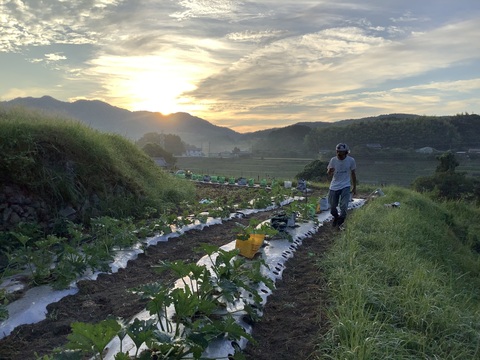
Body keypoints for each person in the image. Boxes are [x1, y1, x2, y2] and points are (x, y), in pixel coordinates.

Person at [327, 143, 357, 227]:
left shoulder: (351, 160)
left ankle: (341, 219)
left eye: (341, 152)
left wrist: (354, 187)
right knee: (332, 207)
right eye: (338, 152)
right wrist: (330, 171)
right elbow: (329, 173)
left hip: (345, 185)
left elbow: (353, 173)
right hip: (334, 185)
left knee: (343, 206)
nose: (339, 154)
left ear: (346, 153)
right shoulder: (333, 160)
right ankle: (336, 217)